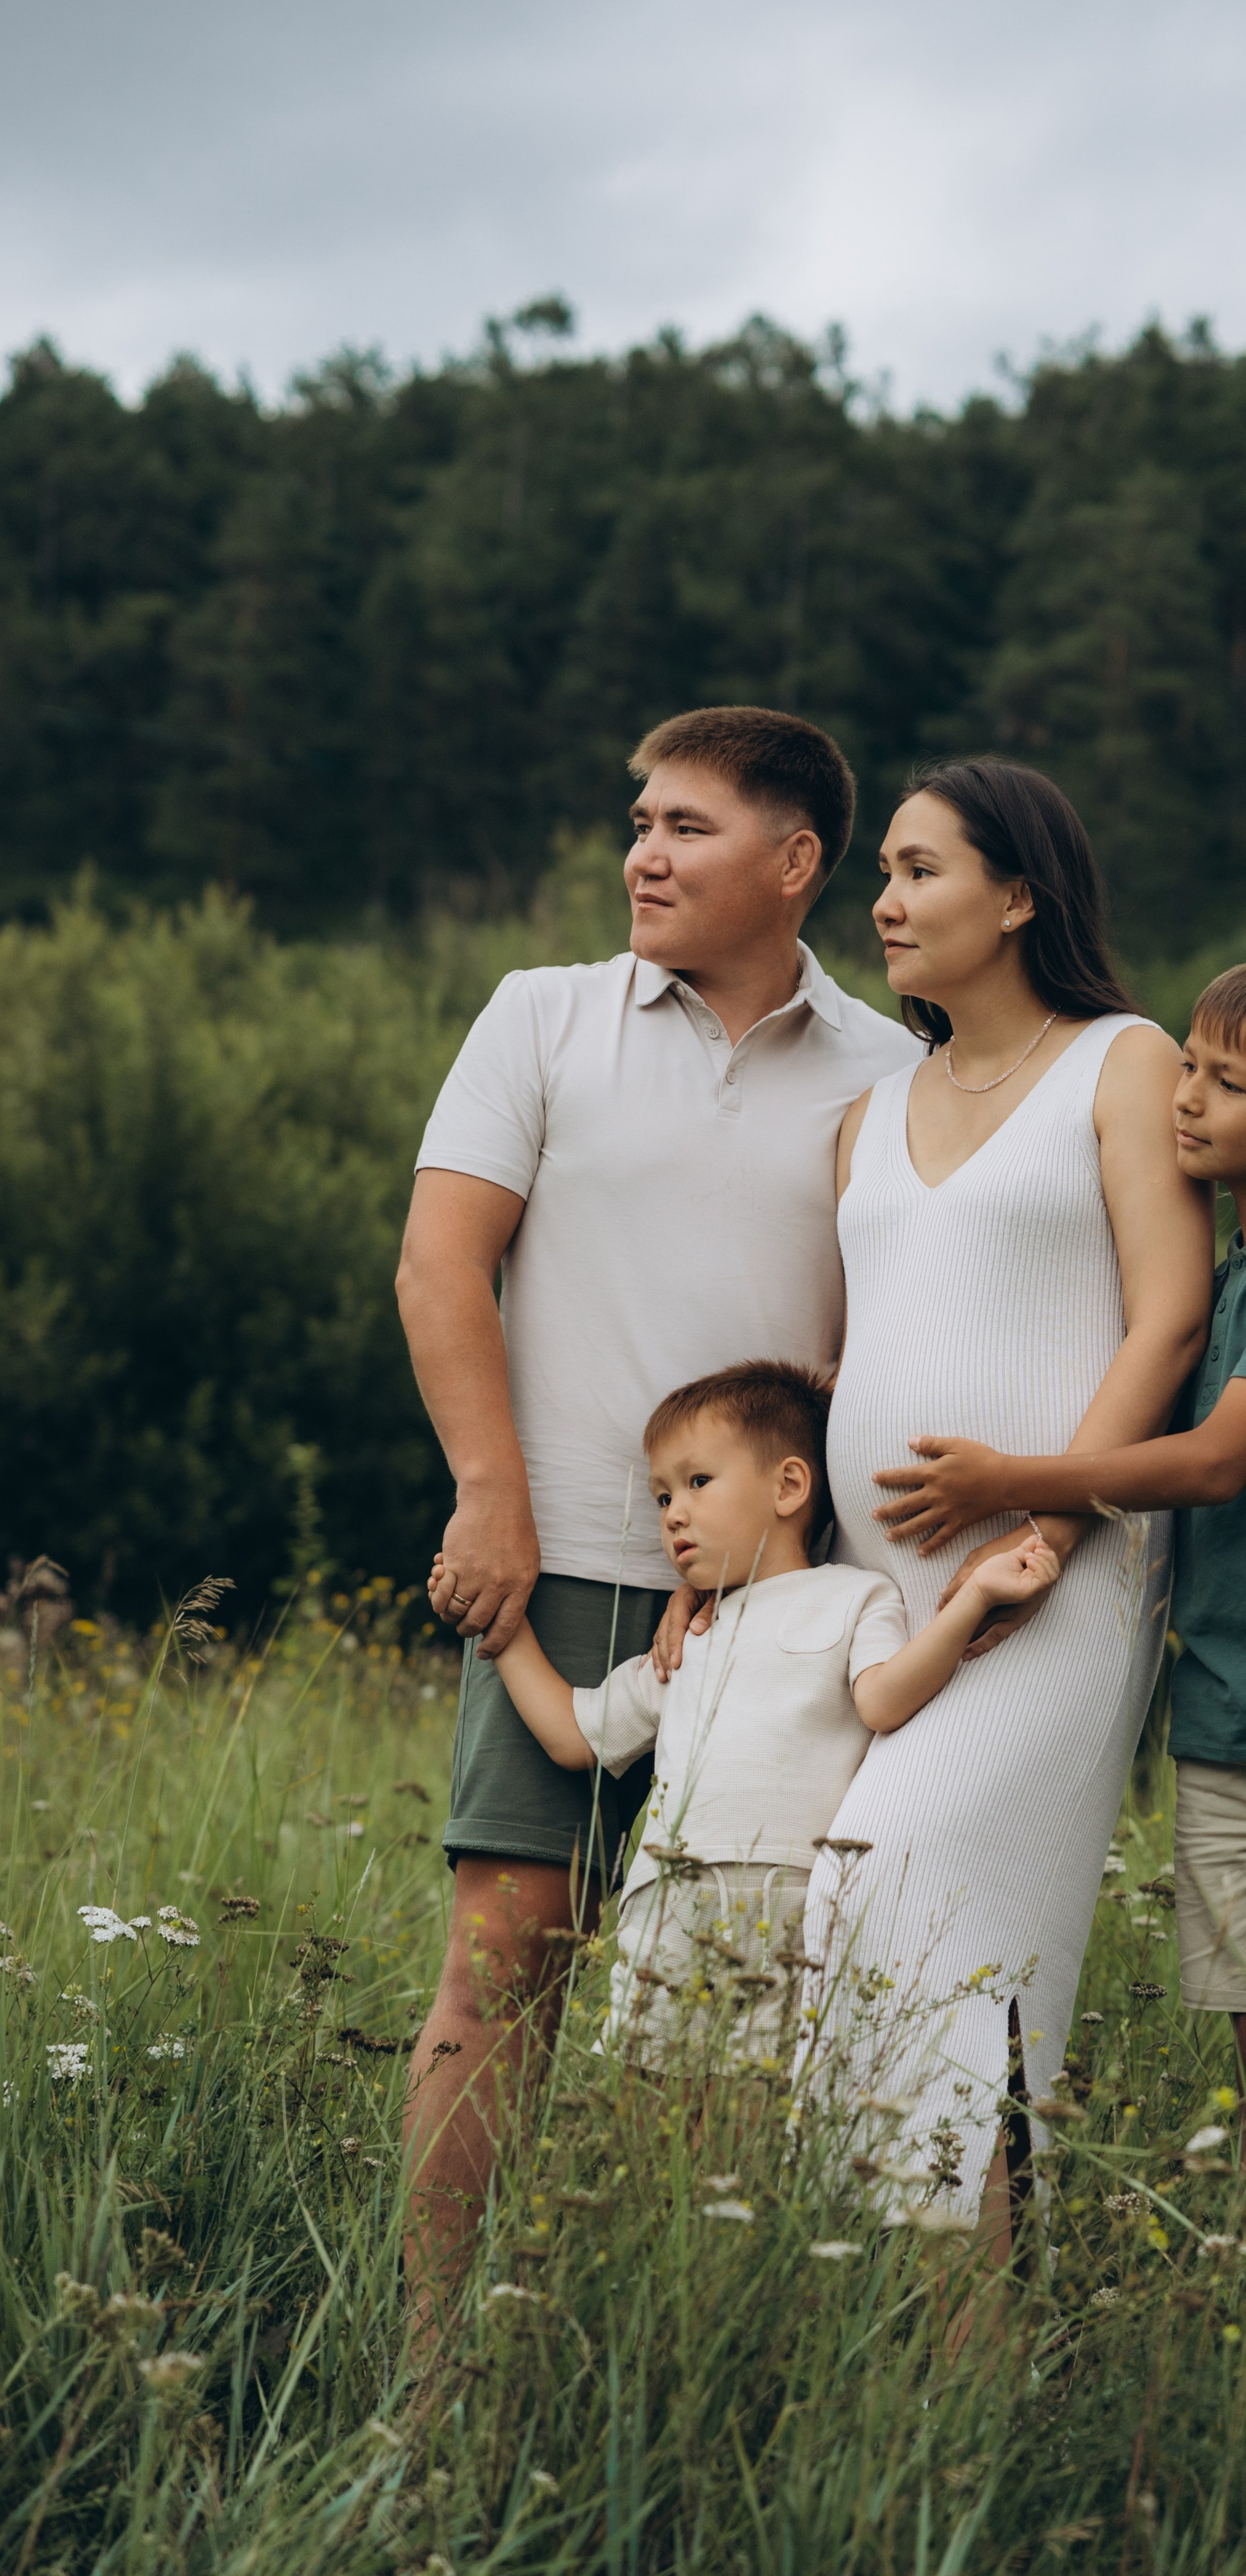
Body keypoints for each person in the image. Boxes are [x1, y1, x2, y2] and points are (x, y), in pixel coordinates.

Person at [395, 706, 919, 2317]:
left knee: (766, 2002)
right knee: (504, 1967)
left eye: (685, 826)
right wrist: (493, 1499)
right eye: (638, 820)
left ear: (794, 861)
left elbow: (886, 1336)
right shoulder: (539, 1018)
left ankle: (690, 2350)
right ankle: (435, 2372)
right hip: (555, 1575)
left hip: (791, 1613)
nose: (642, 852)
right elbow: (439, 1264)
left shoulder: (895, 1068)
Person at [871, 950, 1246, 2215]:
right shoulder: (1232, 1267)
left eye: (1226, 1084)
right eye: (1187, 1065)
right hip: (1231, 1712)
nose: (1185, 1097)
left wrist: (1009, 1484)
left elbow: (1214, 1462)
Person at [800, 758, 1216, 2242]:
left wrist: (1052, 1522)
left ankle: (939, 2315)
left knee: (873, 1885)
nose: (885, 901)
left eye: (920, 869)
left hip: (1058, 1575)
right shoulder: (869, 1111)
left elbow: (1167, 1320)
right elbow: (851, 1349)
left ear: (1019, 894)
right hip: (881, 1593)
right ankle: (944, 2314)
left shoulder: (1122, 1059)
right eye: (885, 873)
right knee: (902, 1947)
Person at [436, 1359, 1059, 2070]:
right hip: (669, 1905)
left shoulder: (853, 1597)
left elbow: (883, 1698)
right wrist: (500, 1629)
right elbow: (575, 1735)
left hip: (791, 1902)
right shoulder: (686, 1638)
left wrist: (974, 1599)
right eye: (662, 1494)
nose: (673, 1512)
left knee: (770, 2112)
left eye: (697, 1483)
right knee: (659, 2109)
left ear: (790, 1485)